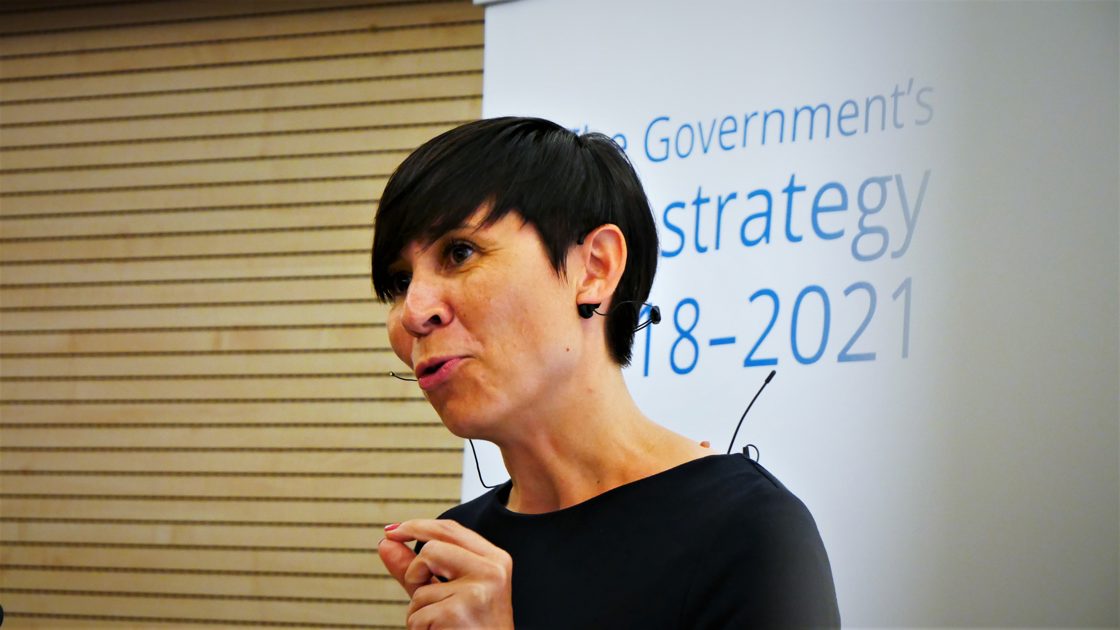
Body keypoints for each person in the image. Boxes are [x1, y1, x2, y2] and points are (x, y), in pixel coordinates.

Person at [372, 117, 840, 629]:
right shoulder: (458, 546)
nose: (413, 313)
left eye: (460, 252)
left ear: (595, 267)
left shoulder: (746, 529)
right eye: (400, 282)